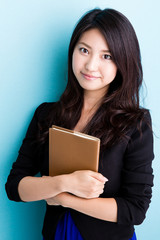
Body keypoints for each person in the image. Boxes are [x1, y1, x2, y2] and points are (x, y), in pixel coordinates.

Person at [5, 8, 154, 240]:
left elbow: (135, 209)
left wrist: (63, 197)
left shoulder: (135, 124)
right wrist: (63, 182)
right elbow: (15, 186)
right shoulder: (46, 114)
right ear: (72, 51)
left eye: (107, 56)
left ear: (122, 62)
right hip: (55, 234)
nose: (90, 65)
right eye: (84, 50)